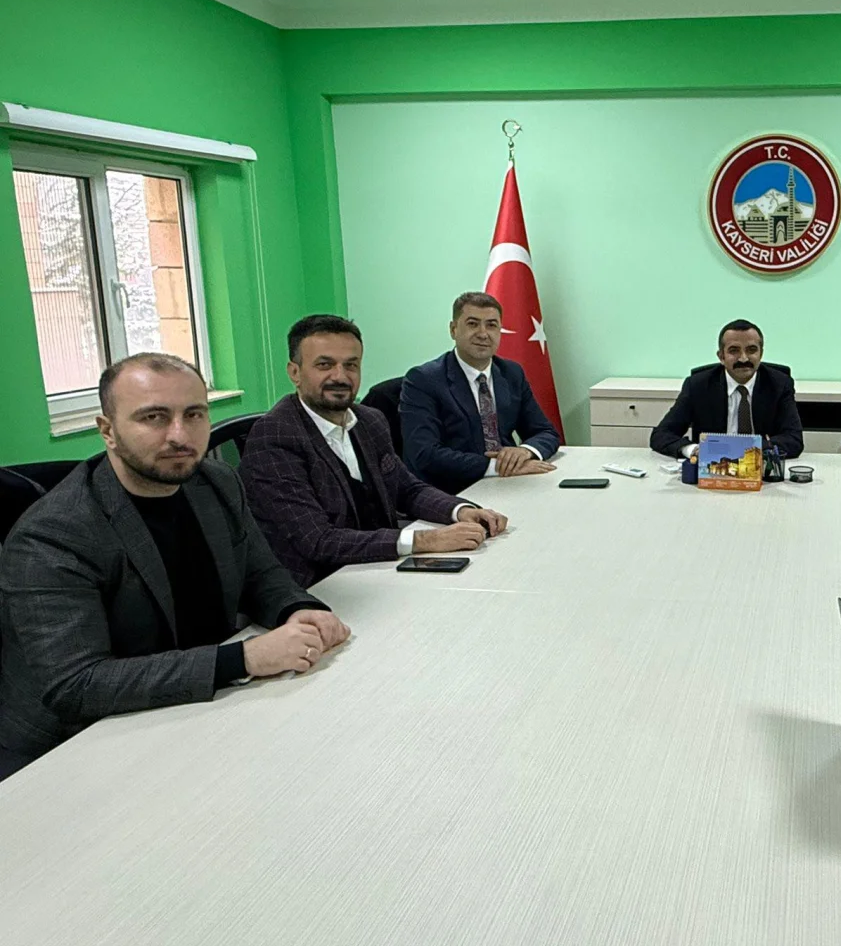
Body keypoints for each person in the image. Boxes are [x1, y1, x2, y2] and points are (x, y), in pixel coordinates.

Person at [0, 354, 350, 778]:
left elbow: (260, 573)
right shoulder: (53, 535)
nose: (180, 435)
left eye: (194, 414)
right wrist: (242, 659)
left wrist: (297, 608)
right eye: (154, 417)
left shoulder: (215, 482)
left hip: (200, 710)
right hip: (76, 748)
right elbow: (77, 685)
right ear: (107, 430)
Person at [241, 315, 509, 588]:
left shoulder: (370, 420)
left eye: (351, 365)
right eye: (324, 365)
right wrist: (426, 540)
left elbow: (407, 489)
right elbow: (318, 541)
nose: (340, 376)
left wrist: (460, 510)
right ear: (295, 372)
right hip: (319, 587)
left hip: (380, 569)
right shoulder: (274, 437)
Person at [401, 292, 560, 494]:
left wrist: (525, 451)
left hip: (509, 485)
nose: (483, 334)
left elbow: (545, 432)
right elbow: (424, 454)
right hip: (451, 492)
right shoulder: (423, 380)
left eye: (491, 325)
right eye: (473, 324)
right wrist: (497, 467)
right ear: (453, 330)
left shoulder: (511, 373)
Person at [649, 319, 805, 459]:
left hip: (761, 470)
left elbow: (793, 440)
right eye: (734, 351)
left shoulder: (779, 384)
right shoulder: (698, 385)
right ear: (721, 356)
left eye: (751, 350)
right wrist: (692, 450)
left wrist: (744, 450)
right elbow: (662, 434)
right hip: (712, 469)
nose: (743, 358)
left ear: (761, 354)